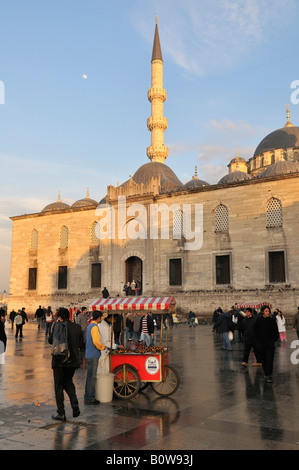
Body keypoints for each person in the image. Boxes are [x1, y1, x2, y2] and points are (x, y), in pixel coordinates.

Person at [48, 307, 84, 421]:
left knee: (58, 386)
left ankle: (61, 412)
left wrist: (55, 326)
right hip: (72, 362)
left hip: (59, 362)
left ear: (60, 317)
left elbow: (50, 340)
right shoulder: (77, 327)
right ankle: (75, 406)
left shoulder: (57, 326)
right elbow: (81, 344)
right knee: (68, 383)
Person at [84, 311, 106, 405]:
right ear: (99, 318)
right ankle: (90, 398)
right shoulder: (94, 327)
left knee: (90, 377)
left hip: (89, 354)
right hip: (93, 355)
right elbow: (96, 341)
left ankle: (89, 396)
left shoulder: (90, 326)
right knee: (92, 377)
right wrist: (103, 347)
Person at [254, 305, 279, 383]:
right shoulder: (259, 321)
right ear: (262, 312)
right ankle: (266, 372)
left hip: (270, 344)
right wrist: (258, 341)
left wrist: (273, 340)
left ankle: (269, 374)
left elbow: (276, 332)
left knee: (269, 359)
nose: (268, 312)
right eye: (266, 311)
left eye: (268, 311)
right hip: (261, 344)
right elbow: (255, 331)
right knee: (264, 359)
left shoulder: (272, 321)